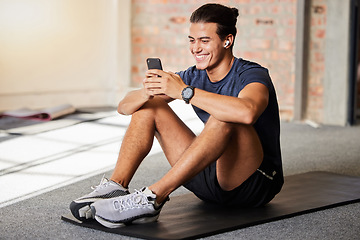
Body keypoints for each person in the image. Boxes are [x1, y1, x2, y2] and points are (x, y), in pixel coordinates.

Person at [70, 3, 283, 228]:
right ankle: (116, 185)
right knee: (150, 106)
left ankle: (154, 197)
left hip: (254, 184)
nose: (196, 48)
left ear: (227, 40)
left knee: (224, 116)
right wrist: (148, 91)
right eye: (191, 40)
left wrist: (184, 92)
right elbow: (124, 107)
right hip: (207, 179)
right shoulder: (192, 75)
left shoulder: (251, 73)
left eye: (204, 40)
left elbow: (247, 112)